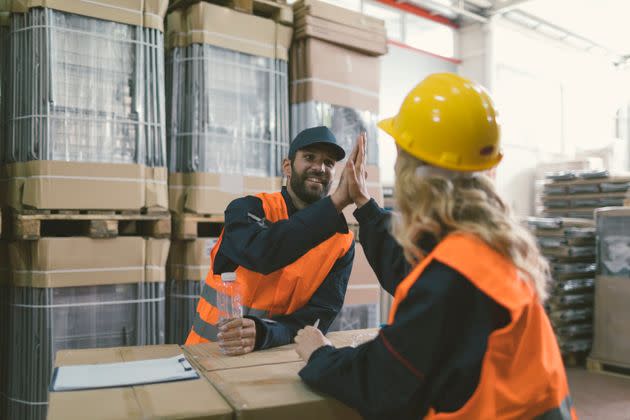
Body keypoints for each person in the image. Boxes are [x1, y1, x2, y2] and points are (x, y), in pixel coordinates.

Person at [294, 73, 576, 419]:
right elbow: (410, 269)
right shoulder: (490, 247)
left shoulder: (453, 278)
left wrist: (320, 355)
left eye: (400, 155)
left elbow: (383, 383)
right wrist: (366, 208)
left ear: (413, 172)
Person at [186, 126, 360, 355]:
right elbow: (262, 253)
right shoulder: (247, 209)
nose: (319, 168)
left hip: (273, 363)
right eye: (309, 157)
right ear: (287, 166)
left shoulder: (342, 241)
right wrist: (336, 202)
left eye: (328, 163)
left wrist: (265, 333)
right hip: (209, 355)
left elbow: (319, 316)